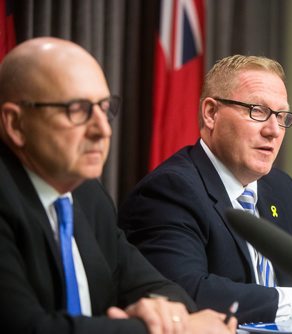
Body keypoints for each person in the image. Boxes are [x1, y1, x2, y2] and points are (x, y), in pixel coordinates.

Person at [0, 37, 236, 334]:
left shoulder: (87, 195)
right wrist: (157, 329)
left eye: (104, 108)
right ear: (15, 124)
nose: (102, 129)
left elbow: (162, 289)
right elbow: (28, 328)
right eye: (77, 109)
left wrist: (161, 311)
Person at [118, 54, 292, 324]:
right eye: (258, 111)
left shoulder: (281, 189)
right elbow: (186, 292)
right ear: (211, 113)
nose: (274, 130)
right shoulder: (171, 191)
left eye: (281, 115)